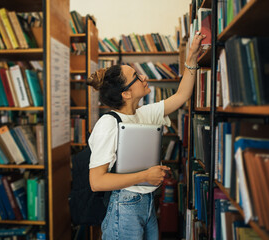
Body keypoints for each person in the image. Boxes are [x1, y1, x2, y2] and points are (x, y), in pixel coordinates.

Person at [87, 32, 206, 240]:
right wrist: (145, 176)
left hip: (147, 202)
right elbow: (96, 182)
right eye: (136, 76)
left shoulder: (143, 114)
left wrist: (192, 57)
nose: (144, 77)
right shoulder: (108, 124)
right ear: (126, 93)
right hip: (124, 207)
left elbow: (182, 95)